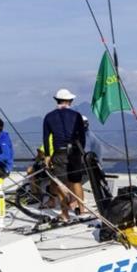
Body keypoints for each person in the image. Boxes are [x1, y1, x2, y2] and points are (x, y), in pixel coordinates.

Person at [42, 88, 86, 220]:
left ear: (57, 100)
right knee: (76, 181)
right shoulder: (76, 115)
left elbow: (45, 138)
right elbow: (82, 136)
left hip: (59, 152)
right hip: (74, 152)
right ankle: (82, 210)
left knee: (60, 183)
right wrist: (81, 151)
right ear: (69, 101)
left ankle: (65, 213)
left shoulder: (49, 117)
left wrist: (48, 155)